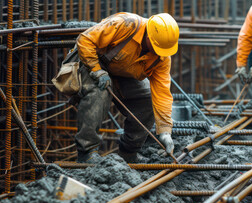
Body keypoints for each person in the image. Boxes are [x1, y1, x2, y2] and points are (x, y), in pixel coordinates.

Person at [74, 12, 179, 162]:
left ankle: (129, 153)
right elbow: (85, 39)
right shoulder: (125, 24)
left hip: (123, 75)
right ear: (149, 37)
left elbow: (162, 94)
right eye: (157, 48)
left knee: (147, 100)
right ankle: (87, 152)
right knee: (98, 94)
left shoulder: (161, 57)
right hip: (94, 64)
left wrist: (165, 131)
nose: (158, 53)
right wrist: (96, 70)